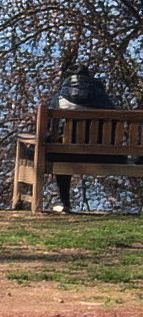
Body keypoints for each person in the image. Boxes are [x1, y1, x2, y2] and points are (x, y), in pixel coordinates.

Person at [46, 63, 117, 214]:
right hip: (103, 156)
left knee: (60, 152)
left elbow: (48, 127)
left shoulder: (59, 98)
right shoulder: (102, 98)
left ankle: (65, 202)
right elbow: (116, 122)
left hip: (67, 156)